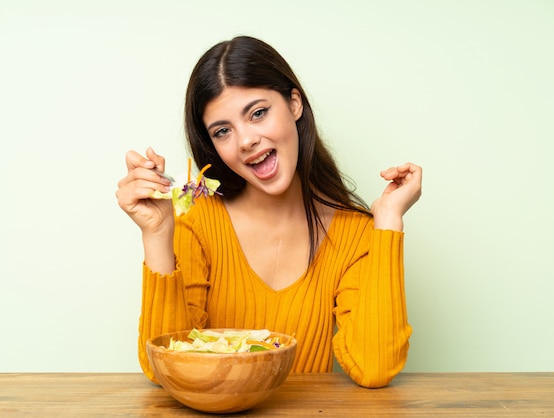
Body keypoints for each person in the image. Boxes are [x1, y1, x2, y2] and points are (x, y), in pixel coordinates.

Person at [116, 36, 422, 388]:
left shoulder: (355, 234)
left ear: (294, 104)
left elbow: (375, 367)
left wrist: (387, 223)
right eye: (223, 131)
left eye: (258, 113)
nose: (245, 140)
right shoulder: (200, 223)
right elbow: (162, 369)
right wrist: (156, 235)